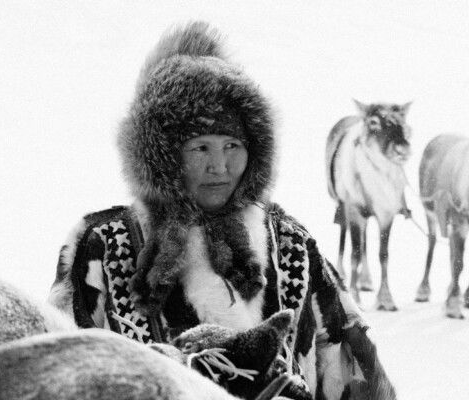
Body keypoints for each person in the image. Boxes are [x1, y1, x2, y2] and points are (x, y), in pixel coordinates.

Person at [48, 22, 396, 400]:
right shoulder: (103, 244)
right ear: (161, 155)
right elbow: (58, 374)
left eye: (233, 145)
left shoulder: (291, 245)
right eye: (200, 148)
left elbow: (352, 374)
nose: (220, 166)